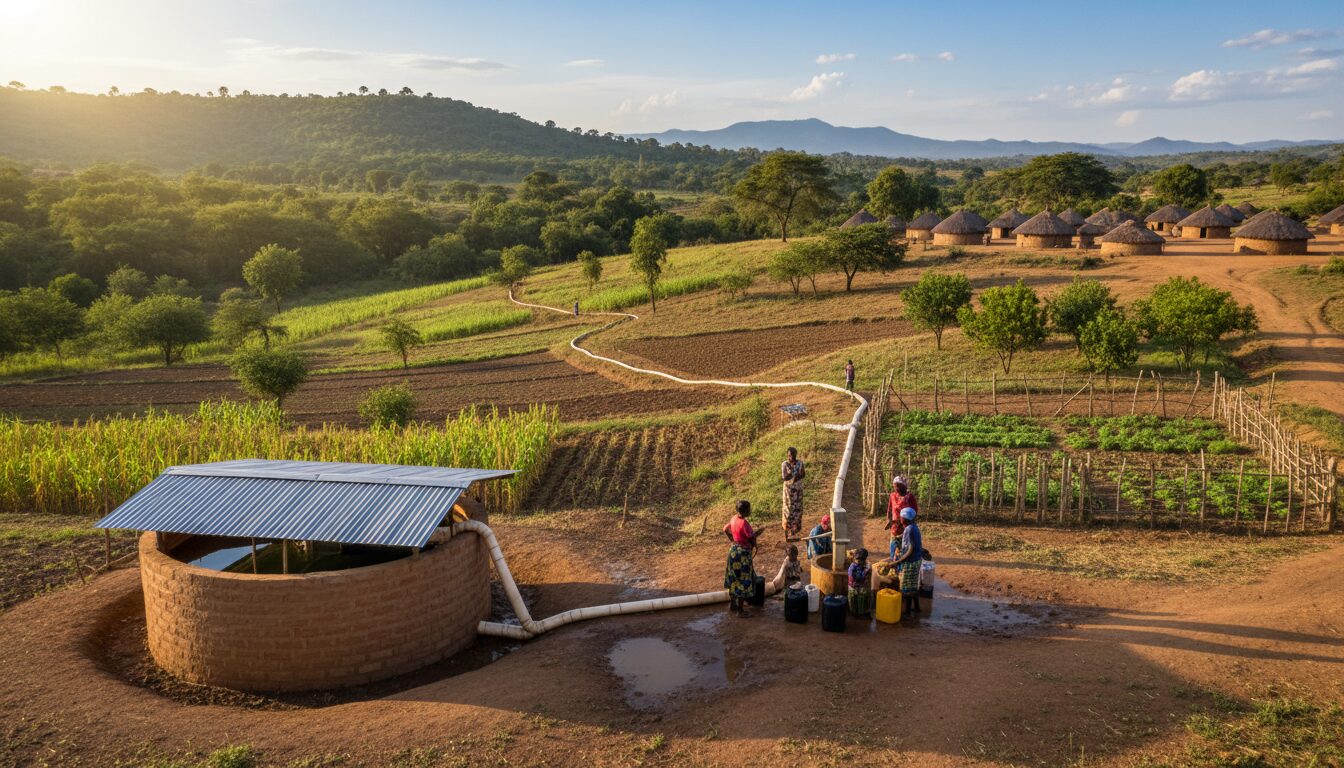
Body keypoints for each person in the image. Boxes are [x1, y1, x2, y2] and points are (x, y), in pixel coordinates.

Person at [722, 499, 758, 617]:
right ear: (746, 511)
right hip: (743, 554)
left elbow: (725, 529)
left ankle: (733, 604)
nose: (750, 510)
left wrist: (732, 540)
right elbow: (751, 537)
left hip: (733, 552)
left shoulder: (734, 518)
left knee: (733, 578)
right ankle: (740, 611)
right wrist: (757, 536)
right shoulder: (744, 524)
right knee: (743, 579)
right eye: (749, 509)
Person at [891, 508, 923, 615]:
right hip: (916, 559)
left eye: (901, 517)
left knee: (906, 588)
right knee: (913, 585)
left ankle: (907, 612)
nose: (900, 518)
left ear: (905, 518)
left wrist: (897, 562)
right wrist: (899, 538)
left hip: (910, 561)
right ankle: (917, 608)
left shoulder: (909, 529)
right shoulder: (913, 527)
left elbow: (910, 549)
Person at [886, 476, 919, 560]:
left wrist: (909, 523)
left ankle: (903, 561)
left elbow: (915, 512)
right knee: (894, 546)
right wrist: (889, 520)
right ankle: (893, 561)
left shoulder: (909, 497)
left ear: (904, 486)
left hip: (906, 526)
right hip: (895, 527)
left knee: (906, 546)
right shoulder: (892, 496)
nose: (896, 488)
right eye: (894, 486)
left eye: (898, 486)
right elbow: (889, 510)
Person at [780, 447, 806, 538]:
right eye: (789, 455)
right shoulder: (785, 464)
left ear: (795, 455)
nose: (790, 457)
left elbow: (803, 474)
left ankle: (794, 531)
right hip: (788, 492)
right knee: (788, 509)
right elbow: (784, 477)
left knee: (797, 509)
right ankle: (786, 530)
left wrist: (796, 476)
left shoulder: (800, 463)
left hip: (798, 491)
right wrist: (794, 476)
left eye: (792, 455)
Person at [847, 548, 873, 617]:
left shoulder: (865, 565)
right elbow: (855, 579)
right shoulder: (852, 568)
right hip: (853, 587)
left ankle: (863, 612)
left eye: (862, 560)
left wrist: (866, 572)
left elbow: (867, 578)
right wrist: (864, 572)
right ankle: (854, 613)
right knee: (854, 600)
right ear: (854, 559)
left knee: (863, 598)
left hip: (861, 586)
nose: (859, 561)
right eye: (858, 559)